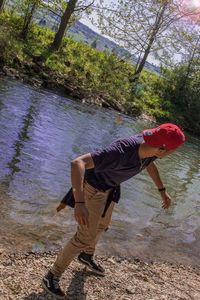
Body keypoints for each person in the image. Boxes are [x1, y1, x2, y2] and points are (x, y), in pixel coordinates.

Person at [42, 123, 185, 299]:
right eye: (173, 151)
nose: (172, 154)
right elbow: (77, 163)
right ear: (162, 149)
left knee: (102, 225)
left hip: (111, 187)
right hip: (92, 188)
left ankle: (87, 255)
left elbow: (149, 164)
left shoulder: (152, 148)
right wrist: (79, 202)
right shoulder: (122, 150)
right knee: (84, 236)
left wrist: (162, 191)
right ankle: (52, 275)